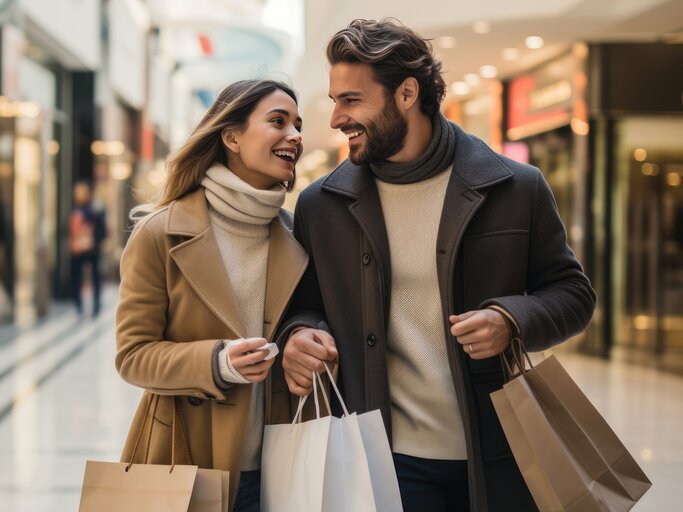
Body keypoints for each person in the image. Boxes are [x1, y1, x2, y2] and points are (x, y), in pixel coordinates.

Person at [278, 19, 596, 512]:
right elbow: (303, 305)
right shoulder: (322, 205)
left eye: (351, 100)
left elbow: (573, 294)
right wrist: (299, 336)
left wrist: (511, 320)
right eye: (335, 100)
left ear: (407, 93)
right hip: (385, 454)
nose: (336, 118)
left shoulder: (517, 187)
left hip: (501, 450)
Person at [115, 80, 307, 512]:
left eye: (298, 125)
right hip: (188, 464)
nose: (295, 136)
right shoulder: (159, 233)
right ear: (232, 136)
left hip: (284, 468)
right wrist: (218, 363)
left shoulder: (299, 233)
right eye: (278, 121)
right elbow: (132, 356)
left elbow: (309, 317)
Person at [69, 181, 106, 316]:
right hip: (77, 249)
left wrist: (97, 241)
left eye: (82, 192)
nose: (80, 195)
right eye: (78, 192)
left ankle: (96, 303)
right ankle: (78, 303)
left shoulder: (94, 209)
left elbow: (102, 228)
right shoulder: (73, 209)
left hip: (92, 248)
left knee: (95, 275)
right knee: (76, 276)